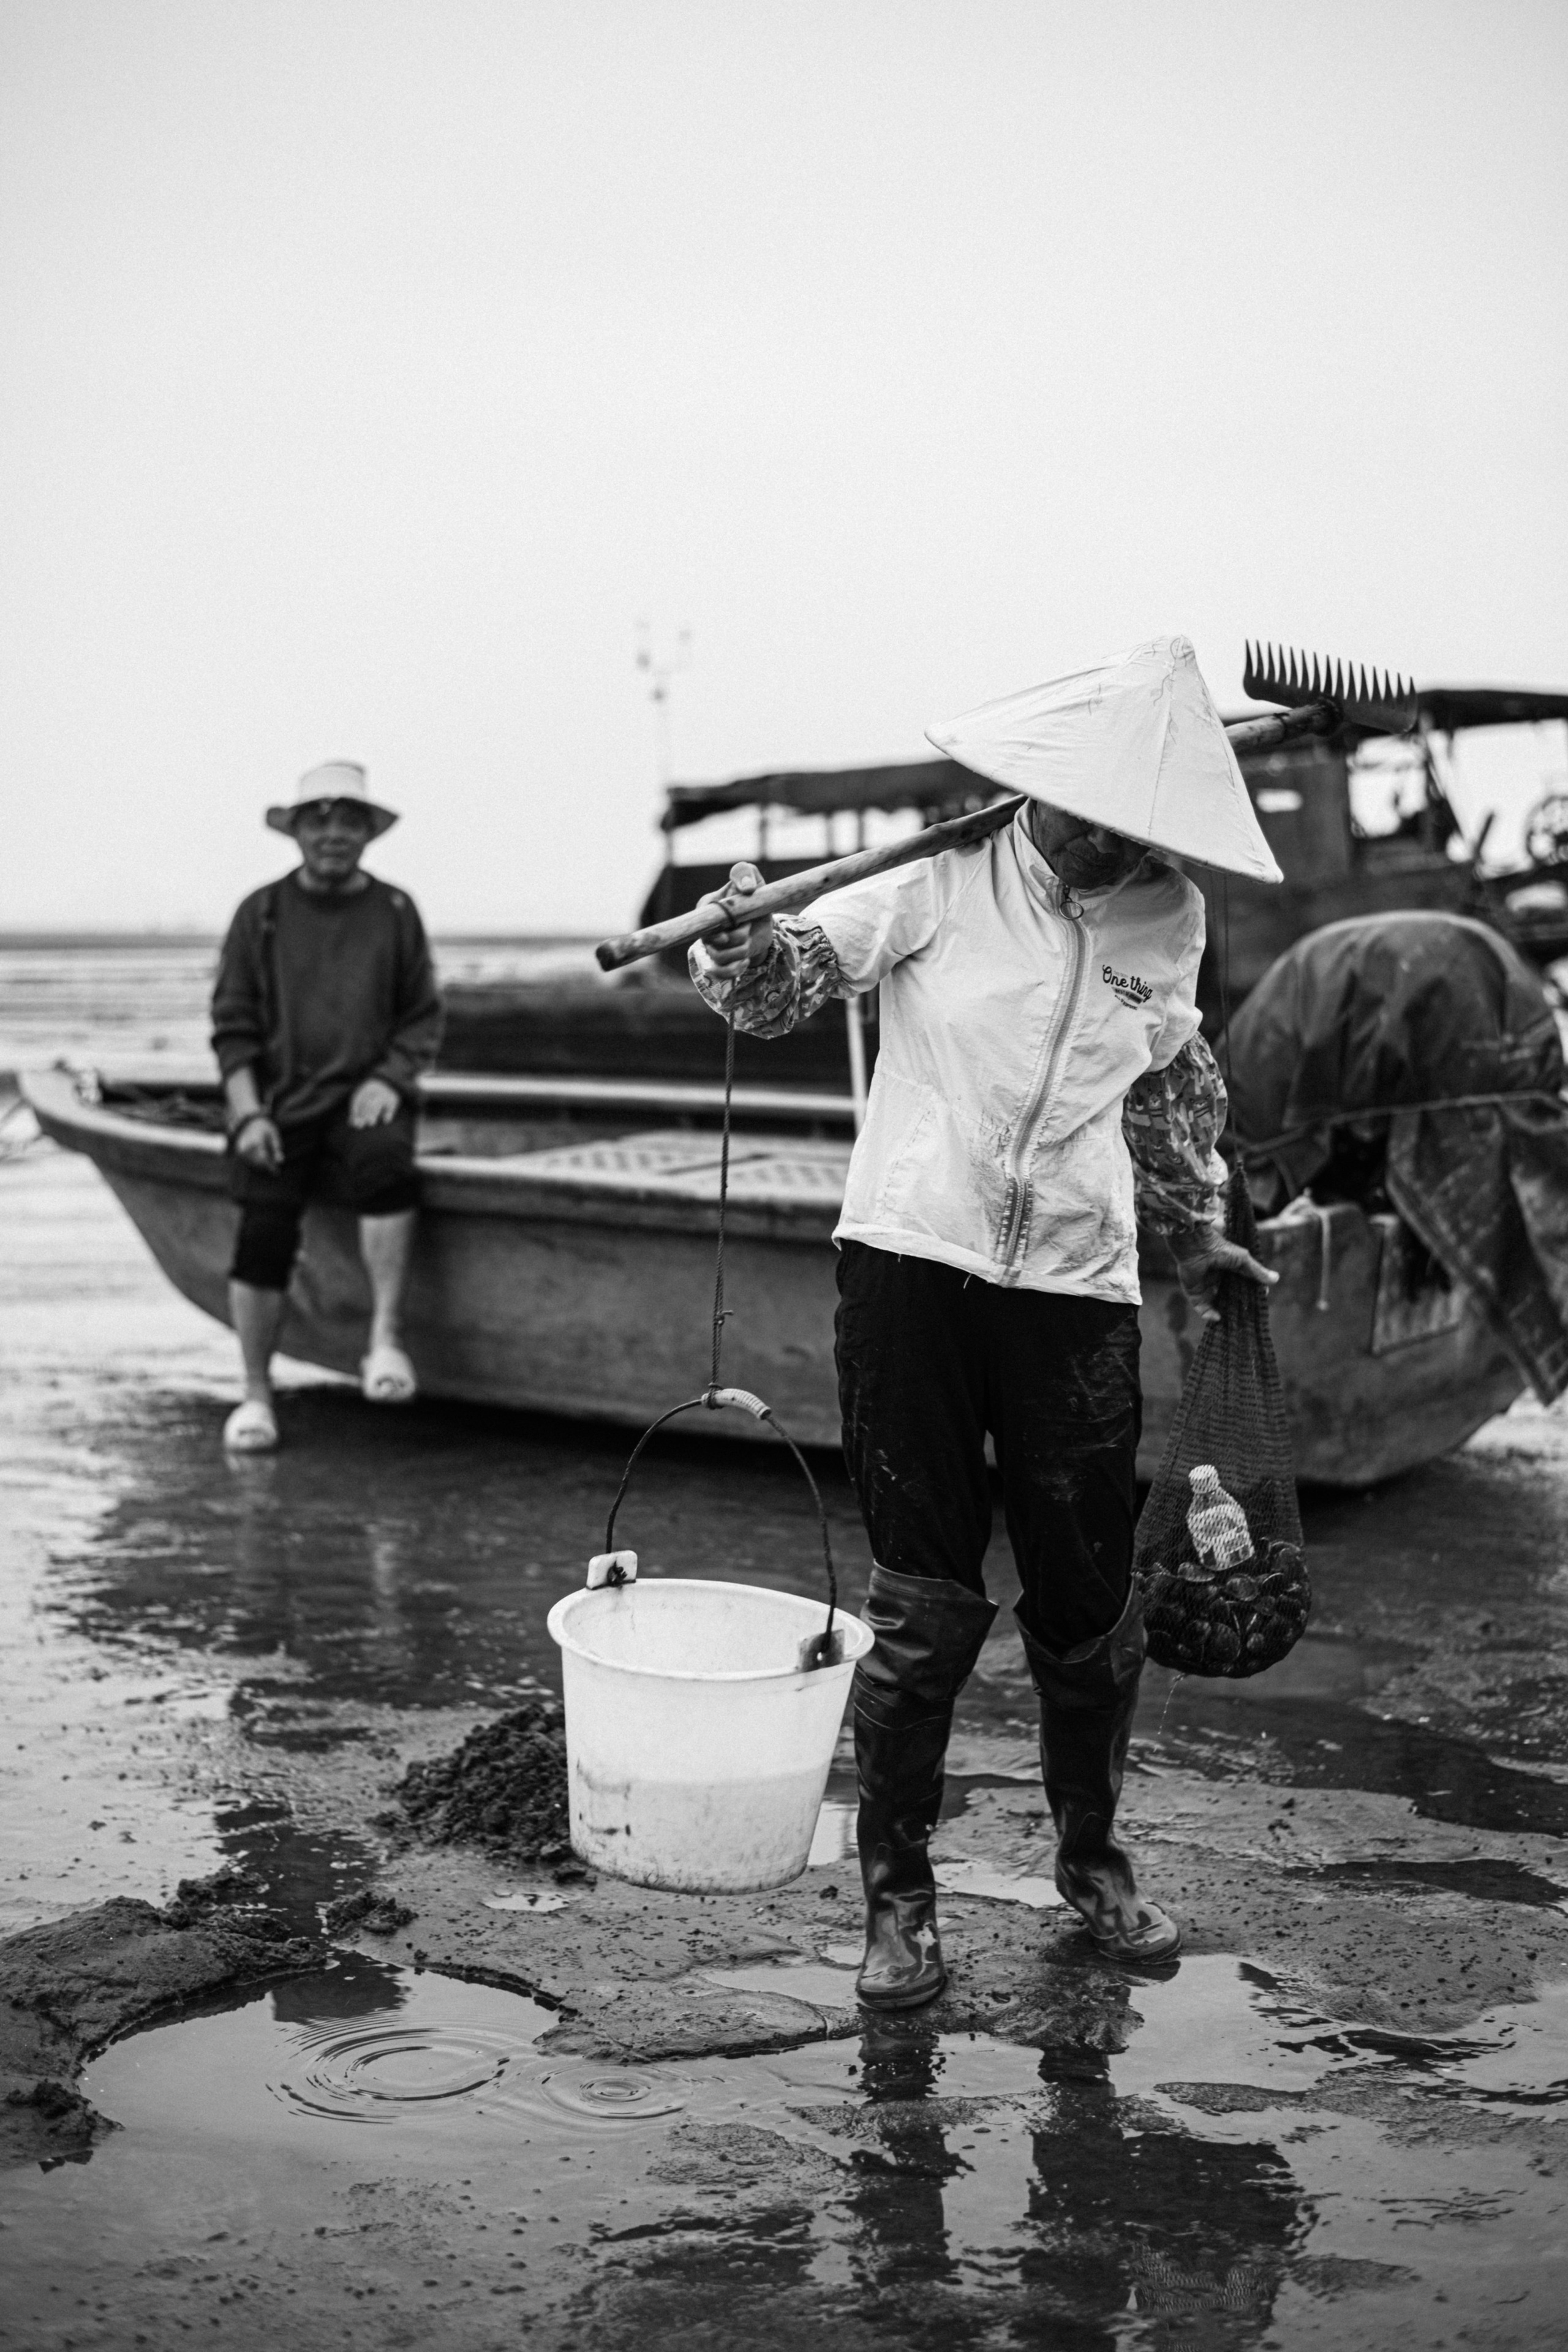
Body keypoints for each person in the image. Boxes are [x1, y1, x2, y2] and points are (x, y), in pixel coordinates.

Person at [690, 636, 1280, 2001]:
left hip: (1073, 1286)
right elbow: (775, 988)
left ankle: (1093, 1869)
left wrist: (1195, 1241)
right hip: (913, 1267)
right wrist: (737, 935)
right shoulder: (936, 876)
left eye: (1124, 830)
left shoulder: (1166, 916)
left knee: (1084, 1600)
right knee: (923, 1594)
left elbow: (1162, 1090)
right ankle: (898, 1901)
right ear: (1034, 785)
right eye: (1075, 817)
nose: (1091, 847)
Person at [210, 761, 443, 1453]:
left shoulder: (396, 911)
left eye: (349, 821)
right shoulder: (261, 913)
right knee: (262, 1232)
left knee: (387, 1171)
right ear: (298, 832)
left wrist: (389, 1080)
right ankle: (256, 1393)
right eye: (320, 820)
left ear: (367, 834)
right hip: (279, 1103)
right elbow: (232, 1028)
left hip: (366, 1099)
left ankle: (384, 1343)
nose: (334, 834)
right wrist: (249, 1114)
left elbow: (421, 1020)